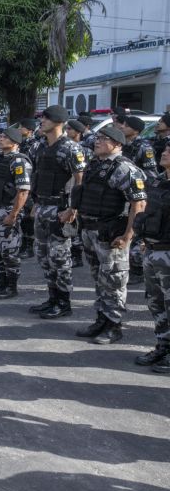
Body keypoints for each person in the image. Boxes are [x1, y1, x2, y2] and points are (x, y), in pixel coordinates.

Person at [65, 125, 147, 344]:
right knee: (100, 280)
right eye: (97, 138)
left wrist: (129, 236)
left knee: (114, 280)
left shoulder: (124, 169)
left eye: (103, 139)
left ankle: (114, 325)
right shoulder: (95, 165)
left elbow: (138, 204)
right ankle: (102, 319)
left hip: (112, 234)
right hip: (91, 231)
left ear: (117, 144)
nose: (97, 141)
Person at [29, 105, 86, 319]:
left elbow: (80, 180)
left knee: (60, 258)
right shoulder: (41, 147)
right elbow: (37, 176)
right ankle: (52, 298)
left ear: (59, 122)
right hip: (43, 206)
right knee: (44, 256)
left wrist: (73, 208)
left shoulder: (71, 148)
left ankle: (63, 302)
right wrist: (35, 202)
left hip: (61, 209)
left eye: (46, 118)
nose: (42, 121)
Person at [134, 141, 170, 372]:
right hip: (154, 251)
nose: (164, 153)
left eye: (169, 152)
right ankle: (163, 345)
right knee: (156, 303)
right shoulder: (158, 180)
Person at [0, 127, 32, 299]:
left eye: (4, 137)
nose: (0, 139)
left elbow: (23, 191)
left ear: (14, 142)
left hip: (7, 210)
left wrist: (13, 214)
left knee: (9, 251)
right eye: (1, 136)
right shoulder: (1, 159)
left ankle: (12, 286)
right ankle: (2, 282)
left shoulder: (19, 162)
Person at [120, 115, 158, 283]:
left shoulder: (144, 147)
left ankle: (137, 270)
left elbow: (151, 174)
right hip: (124, 194)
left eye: (126, 125)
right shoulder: (123, 144)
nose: (122, 127)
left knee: (136, 230)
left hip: (139, 193)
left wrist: (144, 193)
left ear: (135, 130)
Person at [66, 119, 88, 268]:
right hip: (67, 188)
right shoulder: (66, 147)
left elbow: (82, 175)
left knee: (75, 224)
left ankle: (76, 255)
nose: (66, 131)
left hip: (75, 189)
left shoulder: (82, 150)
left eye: (69, 129)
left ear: (78, 132)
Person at [18, 118, 39, 259]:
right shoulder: (22, 144)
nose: (19, 129)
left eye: (22, 126)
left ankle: (29, 245)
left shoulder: (35, 145)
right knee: (23, 217)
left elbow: (36, 167)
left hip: (30, 184)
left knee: (28, 218)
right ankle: (24, 243)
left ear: (29, 131)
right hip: (22, 182)